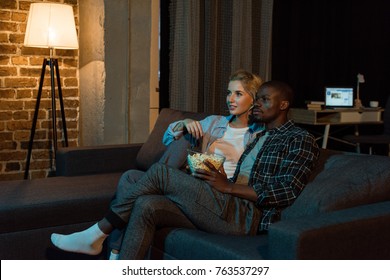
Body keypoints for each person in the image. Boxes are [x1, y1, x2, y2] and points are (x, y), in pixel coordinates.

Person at [51, 80, 320, 259]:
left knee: (160, 173)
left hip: (247, 216)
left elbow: (285, 191)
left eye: (263, 100)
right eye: (257, 99)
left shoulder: (299, 138)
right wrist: (221, 177)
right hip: (225, 200)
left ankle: (97, 233)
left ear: (283, 105)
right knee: (146, 205)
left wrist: (228, 186)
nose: (257, 105)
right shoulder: (261, 135)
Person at [106, 69, 264, 259]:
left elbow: (251, 180)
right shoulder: (215, 122)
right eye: (229, 93)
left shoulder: (259, 135)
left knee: (148, 191)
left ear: (254, 99)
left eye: (238, 94)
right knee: (130, 177)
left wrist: (226, 181)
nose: (231, 99)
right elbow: (168, 140)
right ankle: (115, 253)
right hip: (194, 183)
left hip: (220, 194)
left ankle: (105, 236)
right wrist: (184, 123)